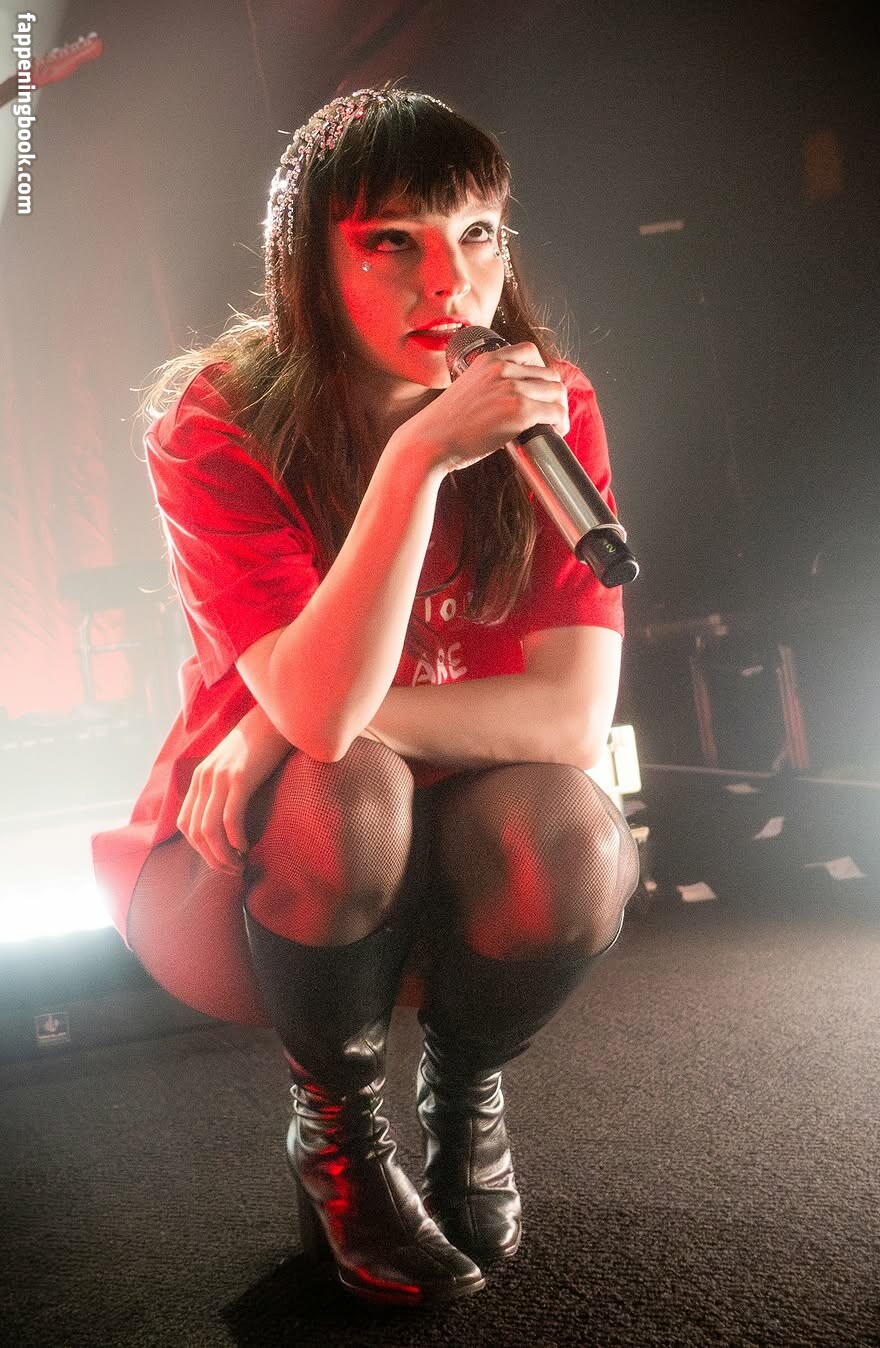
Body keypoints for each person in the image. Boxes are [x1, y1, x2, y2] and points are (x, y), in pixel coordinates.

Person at [91, 87, 639, 1307]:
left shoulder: (552, 406)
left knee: (574, 832)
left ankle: (464, 1091)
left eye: (478, 233)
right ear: (312, 263)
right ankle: (338, 1136)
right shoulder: (215, 419)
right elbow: (329, 727)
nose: (450, 282)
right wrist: (419, 454)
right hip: (277, 843)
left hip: (461, 813)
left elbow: (568, 723)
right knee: (350, 786)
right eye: (393, 241)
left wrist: (268, 718)